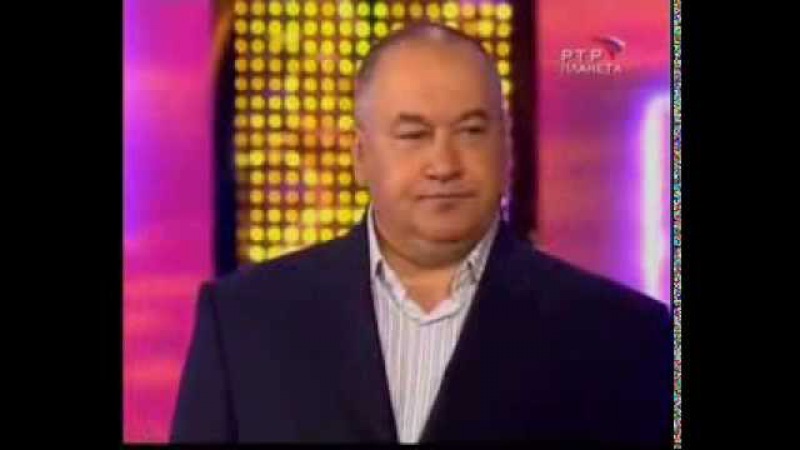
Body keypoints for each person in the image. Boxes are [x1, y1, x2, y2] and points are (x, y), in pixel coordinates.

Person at [171, 22, 672, 445]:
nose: (444, 164)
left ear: (506, 147)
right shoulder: (243, 322)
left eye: (471, 132)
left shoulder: (623, 336)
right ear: (360, 155)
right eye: (414, 135)